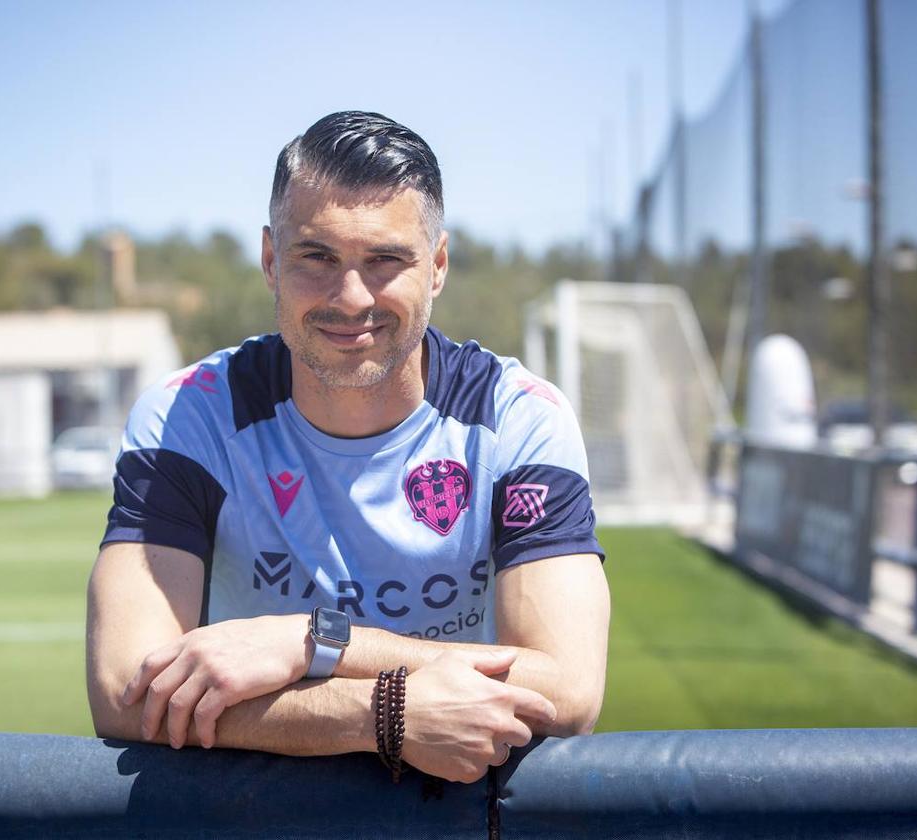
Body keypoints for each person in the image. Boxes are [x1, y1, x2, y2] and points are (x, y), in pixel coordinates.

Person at [86, 111, 610, 785]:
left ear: (439, 266)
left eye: (386, 260)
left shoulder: (516, 418)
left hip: (457, 816)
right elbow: (126, 688)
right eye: (317, 258)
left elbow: (566, 690)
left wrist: (308, 641)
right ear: (272, 260)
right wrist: (380, 715)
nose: (351, 297)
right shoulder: (189, 415)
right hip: (256, 821)